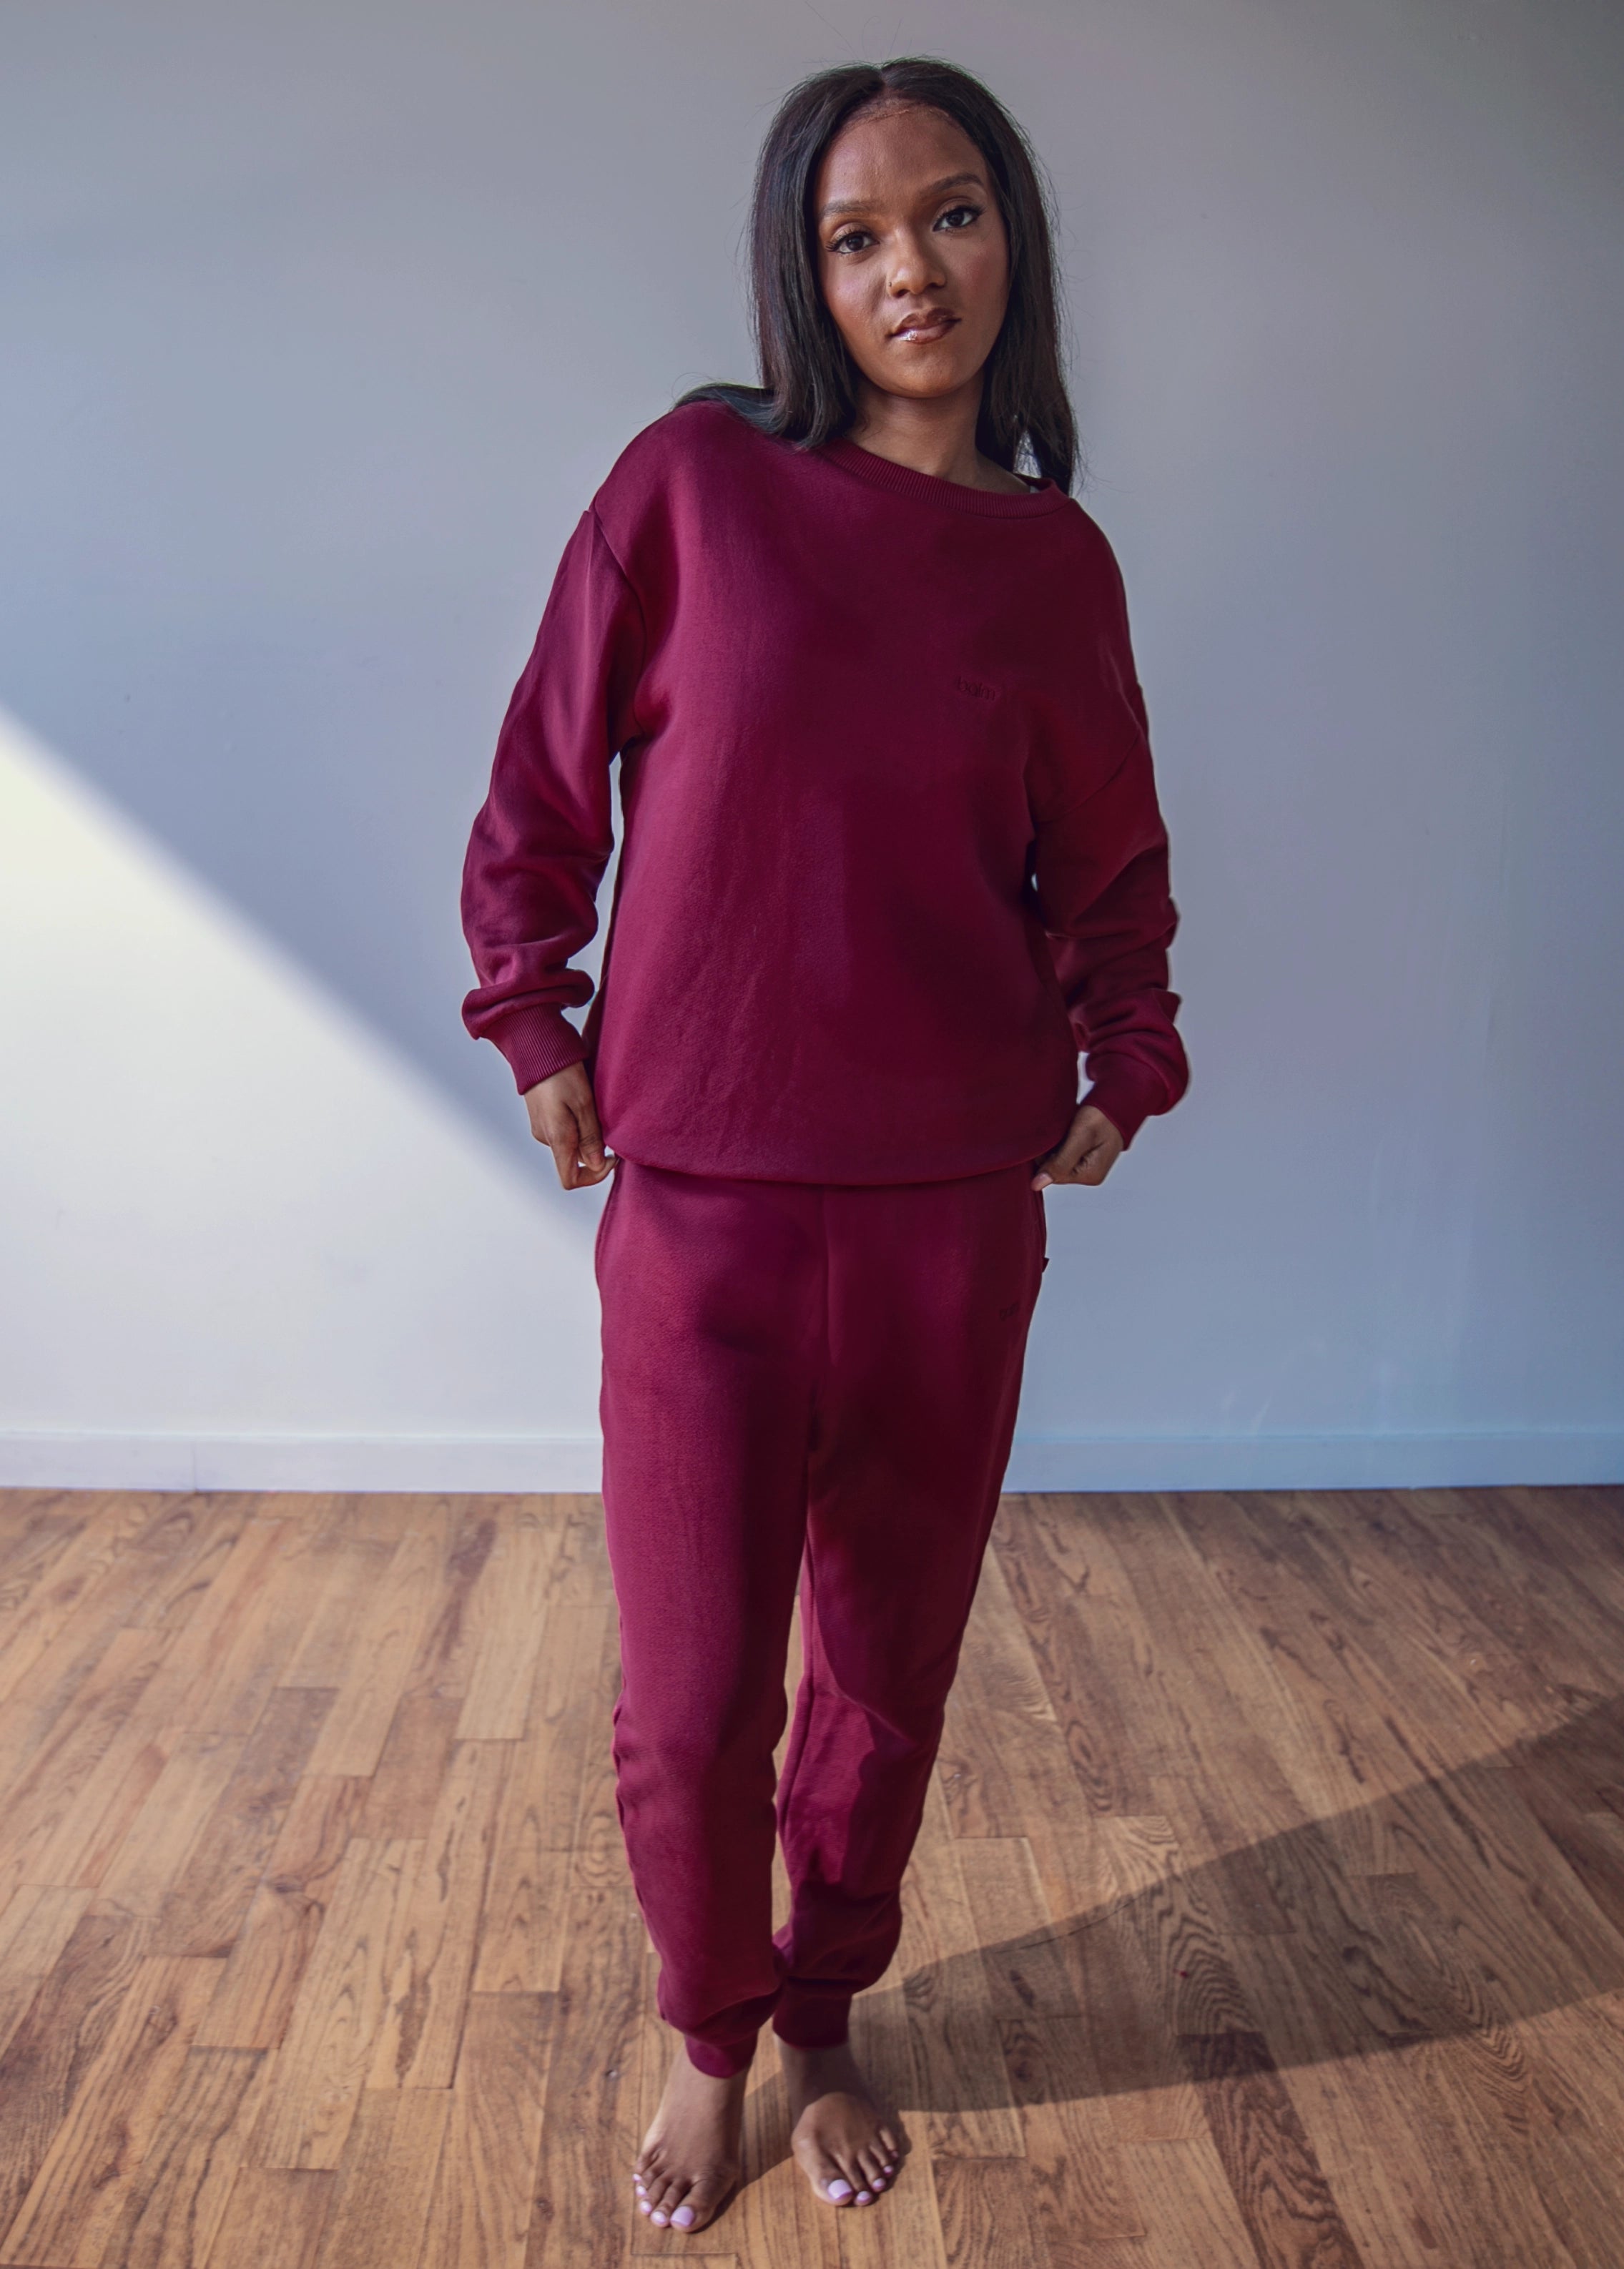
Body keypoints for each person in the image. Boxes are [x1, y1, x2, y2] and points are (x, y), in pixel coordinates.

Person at [459, 54, 1189, 2238]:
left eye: (948, 216)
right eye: (854, 236)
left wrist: (1126, 1050)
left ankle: (822, 2019)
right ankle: (708, 2036)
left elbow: (1110, 857)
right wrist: (532, 1010)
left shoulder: (1051, 562)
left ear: (1010, 238)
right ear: (802, 272)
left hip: (955, 1207)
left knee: (883, 1678)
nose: (908, 272)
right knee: (692, 1706)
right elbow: (542, 780)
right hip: (705, 1210)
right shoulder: (694, 485)